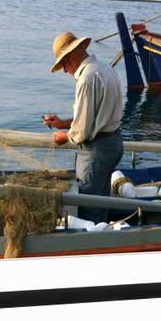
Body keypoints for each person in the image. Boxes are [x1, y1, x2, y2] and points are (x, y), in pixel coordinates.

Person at [43, 31, 124, 223]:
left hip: (96, 152)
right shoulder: (106, 69)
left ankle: (93, 246)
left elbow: (82, 132)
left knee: (89, 209)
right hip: (114, 143)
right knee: (101, 201)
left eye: (63, 64)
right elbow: (97, 116)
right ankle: (103, 235)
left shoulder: (86, 79)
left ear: (70, 56)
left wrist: (64, 136)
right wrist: (62, 123)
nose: (64, 70)